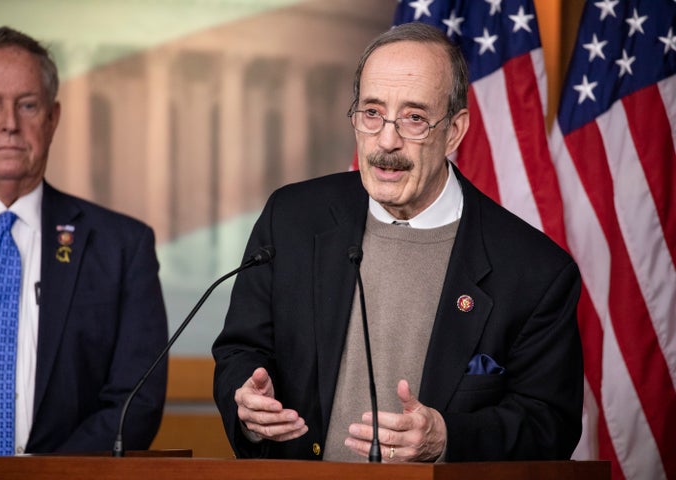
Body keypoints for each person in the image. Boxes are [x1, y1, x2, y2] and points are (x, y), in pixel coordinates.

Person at [212, 22, 583, 463]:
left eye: (414, 118)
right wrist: (248, 403)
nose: (387, 141)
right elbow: (241, 350)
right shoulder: (292, 219)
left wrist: (448, 437)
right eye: (372, 112)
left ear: (455, 131)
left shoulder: (533, 270)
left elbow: (550, 424)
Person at [0, 26, 168, 473]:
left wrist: (44, 474)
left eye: (27, 105)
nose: (10, 123)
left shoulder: (122, 247)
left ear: (52, 119)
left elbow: (136, 403)